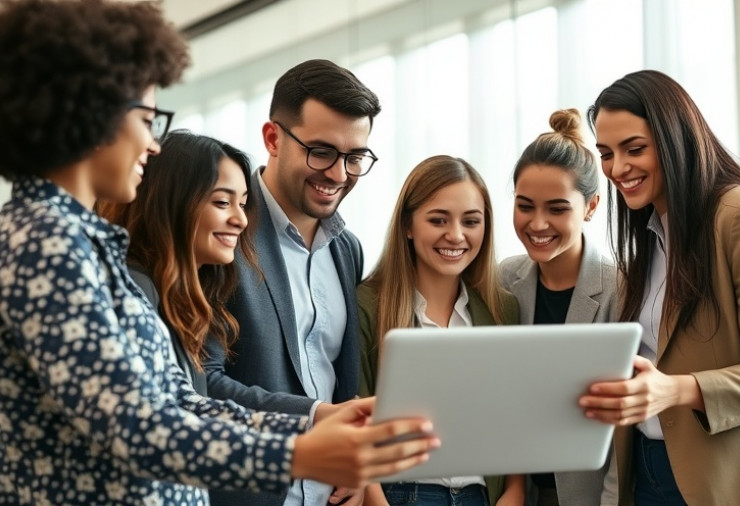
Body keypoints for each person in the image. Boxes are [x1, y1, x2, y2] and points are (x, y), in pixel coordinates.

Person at [0, 1, 437, 504]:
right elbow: (136, 428)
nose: (154, 144)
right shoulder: (45, 244)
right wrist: (303, 456)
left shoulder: (78, 243)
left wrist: (320, 420)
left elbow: (183, 403)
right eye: (147, 119)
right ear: (90, 114)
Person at [579, 69, 740, 505]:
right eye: (606, 153)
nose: (617, 168)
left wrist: (676, 389)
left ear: (675, 139)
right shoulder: (650, 238)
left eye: (634, 149)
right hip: (653, 476)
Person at [201, 59, 383, 506]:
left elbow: (344, 382)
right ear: (273, 138)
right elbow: (205, 382)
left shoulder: (347, 249)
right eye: (321, 152)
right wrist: (317, 418)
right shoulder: (224, 233)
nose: (339, 174)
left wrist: (357, 463)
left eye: (355, 157)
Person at [358, 155, 525, 506]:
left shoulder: (501, 309)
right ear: (408, 225)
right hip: (401, 494)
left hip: (481, 495)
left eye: (471, 221)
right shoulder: (368, 305)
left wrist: (514, 492)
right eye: (438, 220)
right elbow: (354, 418)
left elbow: (512, 418)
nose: (456, 235)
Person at [498, 109, 617, 506]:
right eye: (525, 205)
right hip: (519, 492)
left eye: (557, 208)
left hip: (589, 495)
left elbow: (625, 425)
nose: (537, 223)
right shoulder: (503, 281)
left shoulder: (621, 288)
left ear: (591, 206)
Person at [100, 131, 260, 396]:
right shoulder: (134, 289)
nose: (241, 220)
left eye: (242, 204)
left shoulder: (183, 302)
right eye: (223, 202)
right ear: (172, 203)